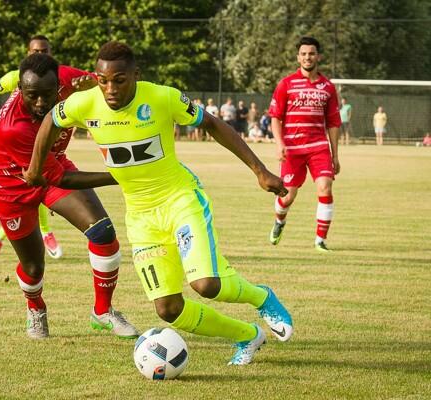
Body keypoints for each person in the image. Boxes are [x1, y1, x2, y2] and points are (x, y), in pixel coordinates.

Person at [26, 41, 293, 366]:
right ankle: (247, 335)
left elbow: (212, 124)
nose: (110, 88)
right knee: (169, 309)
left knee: (206, 284)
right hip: (140, 216)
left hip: (180, 200)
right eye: (102, 80)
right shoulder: (84, 104)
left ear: (136, 75)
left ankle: (261, 296)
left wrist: (260, 170)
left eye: (119, 80)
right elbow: (51, 121)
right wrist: (35, 169)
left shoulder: (163, 97)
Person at [0, 53, 138, 340]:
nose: (41, 104)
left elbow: (107, 84)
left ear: (59, 84)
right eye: (32, 96)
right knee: (33, 266)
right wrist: (122, 174)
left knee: (102, 233)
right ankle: (36, 308)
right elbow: (60, 178)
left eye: (47, 95)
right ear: (19, 89)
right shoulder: (15, 128)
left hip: (51, 163)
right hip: (10, 183)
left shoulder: (69, 78)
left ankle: (102, 312)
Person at [0, 35, 70, 258]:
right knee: (27, 193)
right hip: (16, 149)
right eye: (35, 51)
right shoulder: (16, 76)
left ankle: (0, 239)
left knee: (36, 186)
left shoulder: (59, 78)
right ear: (27, 52)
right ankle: (46, 233)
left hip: (40, 147)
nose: (39, 55)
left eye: (44, 51)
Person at [267, 36, 341, 252]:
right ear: (298, 57)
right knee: (287, 196)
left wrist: (335, 155)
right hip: (292, 149)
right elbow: (275, 117)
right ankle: (279, 222)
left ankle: (320, 240)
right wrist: (279, 143)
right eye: (304, 54)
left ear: (318, 56)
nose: (308, 57)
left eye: (311, 53)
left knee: (325, 187)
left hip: (319, 147)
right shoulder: (286, 84)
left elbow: (334, 122)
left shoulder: (328, 87)